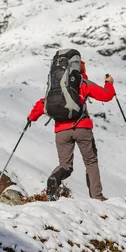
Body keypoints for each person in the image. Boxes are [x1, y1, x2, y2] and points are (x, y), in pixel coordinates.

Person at [28, 60, 115, 201]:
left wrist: (31, 117)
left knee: (65, 166)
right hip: (82, 128)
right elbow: (106, 95)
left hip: (61, 132)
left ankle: (54, 179)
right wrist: (109, 83)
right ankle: (97, 197)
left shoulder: (56, 87)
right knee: (90, 162)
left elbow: (43, 103)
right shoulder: (82, 83)